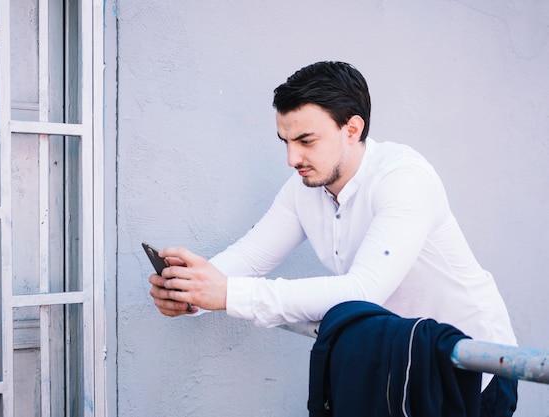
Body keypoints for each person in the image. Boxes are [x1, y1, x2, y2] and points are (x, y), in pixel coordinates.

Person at [148, 61, 518, 416]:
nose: (292, 158)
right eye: (286, 141)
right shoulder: (303, 187)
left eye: (306, 140)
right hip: (394, 359)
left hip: (469, 366)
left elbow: (362, 291)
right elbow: (251, 255)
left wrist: (227, 293)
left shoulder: (405, 177)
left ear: (352, 129)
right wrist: (190, 292)